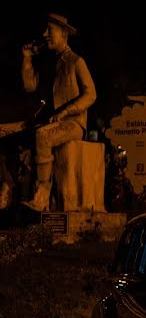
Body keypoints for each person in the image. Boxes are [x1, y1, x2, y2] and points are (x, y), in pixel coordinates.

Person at [20, 13, 96, 212]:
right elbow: (29, 86)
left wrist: (65, 112)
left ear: (63, 34)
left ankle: (42, 195)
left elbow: (91, 95)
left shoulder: (76, 62)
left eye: (50, 30)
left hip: (73, 124)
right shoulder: (49, 63)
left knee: (43, 136)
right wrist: (27, 60)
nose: (45, 34)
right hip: (52, 121)